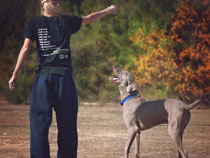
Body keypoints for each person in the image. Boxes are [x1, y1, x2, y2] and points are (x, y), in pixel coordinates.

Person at [8, 0, 118, 157]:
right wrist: (108, 10)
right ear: (57, 4)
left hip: (43, 79)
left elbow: (25, 48)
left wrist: (15, 73)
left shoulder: (34, 24)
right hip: (64, 79)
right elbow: (91, 17)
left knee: (38, 125)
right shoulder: (67, 20)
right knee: (67, 125)